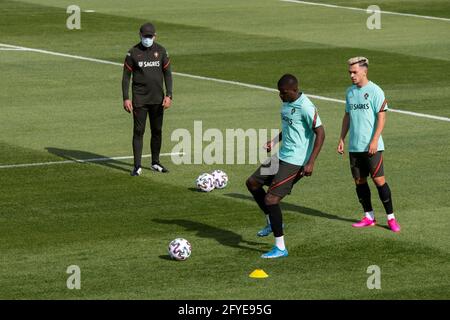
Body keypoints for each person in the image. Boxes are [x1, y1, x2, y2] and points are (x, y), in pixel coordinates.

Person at [246, 74, 325, 259]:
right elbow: (291, 127)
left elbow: (320, 133)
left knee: (271, 199)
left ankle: (280, 247)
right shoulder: (287, 103)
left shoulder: (306, 106)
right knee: (252, 183)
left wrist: (311, 161)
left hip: (295, 161)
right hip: (282, 155)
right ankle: (272, 222)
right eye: (279, 93)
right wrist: (274, 140)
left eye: (283, 93)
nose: (280, 96)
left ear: (294, 90)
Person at [337, 57, 400, 232]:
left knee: (379, 181)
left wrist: (374, 140)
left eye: (354, 72)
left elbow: (382, 117)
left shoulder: (375, 91)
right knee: (359, 181)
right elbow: (347, 116)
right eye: (349, 72)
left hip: (373, 147)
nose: (351, 75)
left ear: (364, 71)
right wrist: (342, 138)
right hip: (354, 147)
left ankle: (391, 218)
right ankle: (369, 216)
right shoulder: (349, 92)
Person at [122, 22, 173, 176]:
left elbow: (168, 74)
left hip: (158, 99)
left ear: (155, 36)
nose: (147, 39)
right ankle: (137, 166)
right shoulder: (133, 53)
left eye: (150, 36)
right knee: (139, 131)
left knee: (157, 131)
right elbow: (126, 77)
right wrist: (126, 98)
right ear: (140, 35)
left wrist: (169, 95)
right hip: (140, 100)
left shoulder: (161, 51)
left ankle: (155, 162)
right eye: (145, 36)